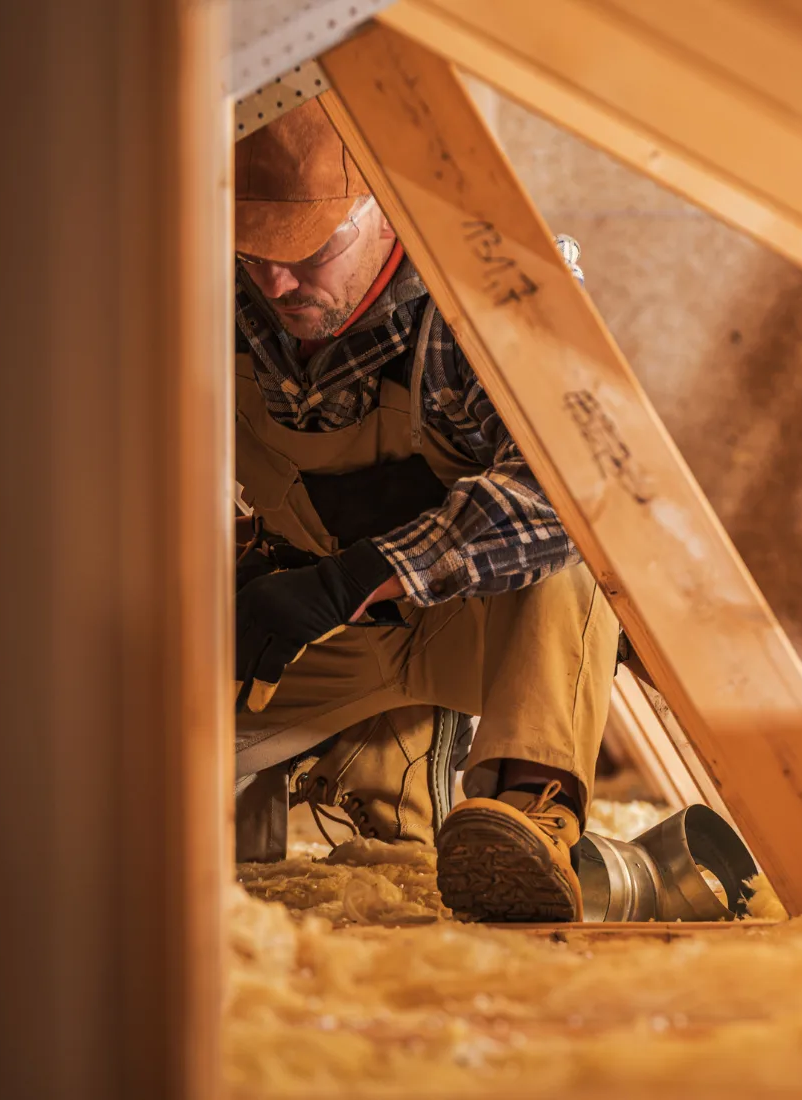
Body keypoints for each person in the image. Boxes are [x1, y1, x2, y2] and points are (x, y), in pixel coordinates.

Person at [228, 99, 616, 923]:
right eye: (253, 253)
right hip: (314, 629)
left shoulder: (490, 289)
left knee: (573, 546)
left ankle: (524, 809)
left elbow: (577, 482)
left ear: (383, 209)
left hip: (483, 630)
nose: (276, 282)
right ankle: (389, 756)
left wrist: (358, 576)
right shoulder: (220, 296)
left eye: (307, 253)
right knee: (113, 768)